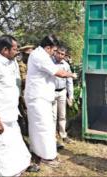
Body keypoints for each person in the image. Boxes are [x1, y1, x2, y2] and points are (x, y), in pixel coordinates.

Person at [0, 35, 32, 176]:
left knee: (14, 144)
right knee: (2, 147)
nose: (17, 52)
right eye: (14, 49)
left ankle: (18, 171)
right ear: (4, 50)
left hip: (10, 113)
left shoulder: (9, 61)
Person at [24, 35, 77, 167]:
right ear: (48, 47)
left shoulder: (39, 54)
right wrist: (71, 74)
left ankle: (38, 152)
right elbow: (58, 72)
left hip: (40, 97)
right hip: (39, 97)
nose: (54, 53)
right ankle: (47, 157)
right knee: (45, 127)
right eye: (54, 50)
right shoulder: (40, 56)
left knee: (38, 127)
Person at [52, 45, 74, 144]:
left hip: (62, 92)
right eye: (59, 53)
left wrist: (71, 95)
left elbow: (69, 80)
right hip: (52, 92)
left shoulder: (65, 65)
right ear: (56, 52)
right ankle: (53, 137)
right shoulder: (50, 63)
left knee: (62, 115)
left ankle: (63, 135)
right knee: (53, 116)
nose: (60, 56)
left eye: (63, 54)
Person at [17, 44, 35, 136]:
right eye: (28, 54)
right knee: (25, 111)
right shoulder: (21, 65)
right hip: (24, 91)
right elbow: (24, 80)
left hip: (31, 90)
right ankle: (28, 131)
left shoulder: (32, 64)